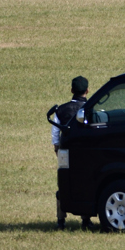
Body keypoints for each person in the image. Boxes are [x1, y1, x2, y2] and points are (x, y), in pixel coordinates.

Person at [50, 75, 92, 230]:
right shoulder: (91, 108)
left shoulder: (61, 110)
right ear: (87, 90)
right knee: (87, 182)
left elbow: (55, 135)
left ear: (71, 90)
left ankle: (61, 221)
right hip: (86, 153)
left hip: (65, 152)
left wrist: (57, 151)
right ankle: (86, 220)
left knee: (64, 184)